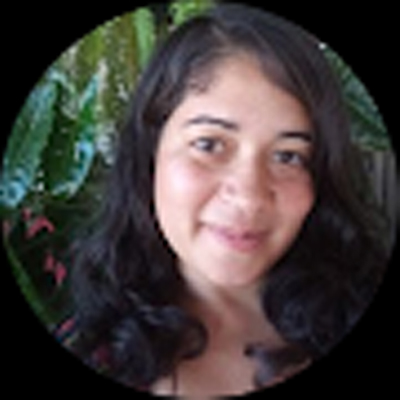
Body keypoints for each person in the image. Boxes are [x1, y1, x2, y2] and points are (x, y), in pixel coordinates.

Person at [69, 3, 389, 396]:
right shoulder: (92, 350)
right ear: (150, 155)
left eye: (288, 156)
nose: (249, 197)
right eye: (209, 144)